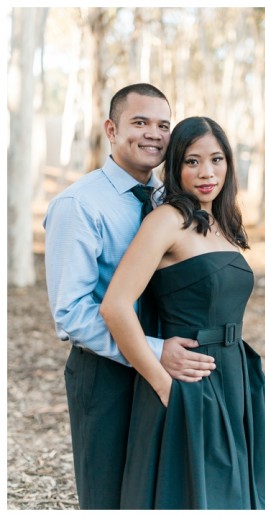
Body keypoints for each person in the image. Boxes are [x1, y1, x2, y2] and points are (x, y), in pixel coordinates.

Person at [43, 83, 216, 509]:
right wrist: (151, 351)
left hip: (173, 364)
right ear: (112, 129)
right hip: (108, 374)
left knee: (162, 493)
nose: (153, 134)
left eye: (162, 125)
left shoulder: (173, 201)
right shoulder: (79, 205)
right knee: (111, 497)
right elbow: (71, 313)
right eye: (139, 122)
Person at [100, 116, 265, 509]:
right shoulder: (166, 221)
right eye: (192, 161)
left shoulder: (222, 223)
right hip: (190, 380)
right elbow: (115, 306)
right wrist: (163, 384)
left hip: (235, 377)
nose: (207, 172)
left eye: (216, 160)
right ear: (175, 166)